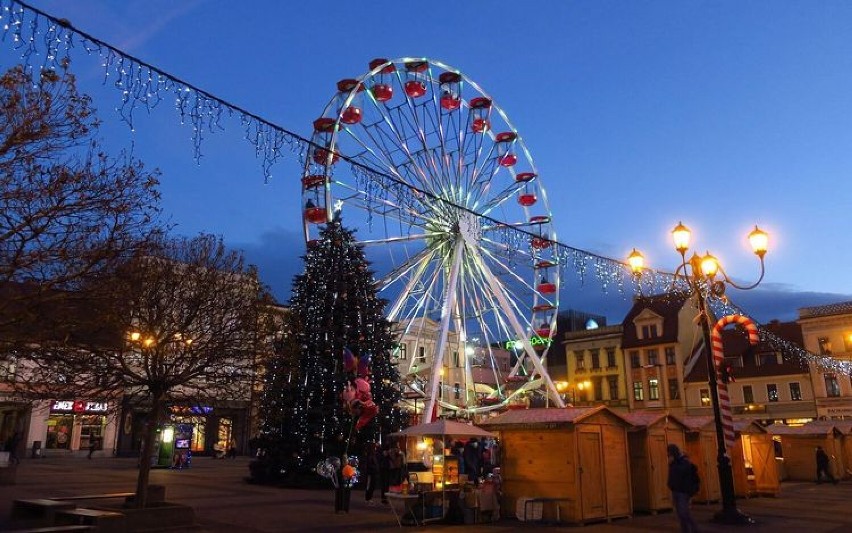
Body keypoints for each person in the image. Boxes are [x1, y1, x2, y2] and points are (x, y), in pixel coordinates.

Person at [667, 444, 699, 533]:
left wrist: (673, 463)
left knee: (683, 512)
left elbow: (682, 473)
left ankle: (694, 529)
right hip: (676, 490)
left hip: (683, 491)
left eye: (669, 453)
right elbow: (672, 476)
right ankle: (686, 530)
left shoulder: (683, 461)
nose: (668, 455)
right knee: (681, 514)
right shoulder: (674, 462)